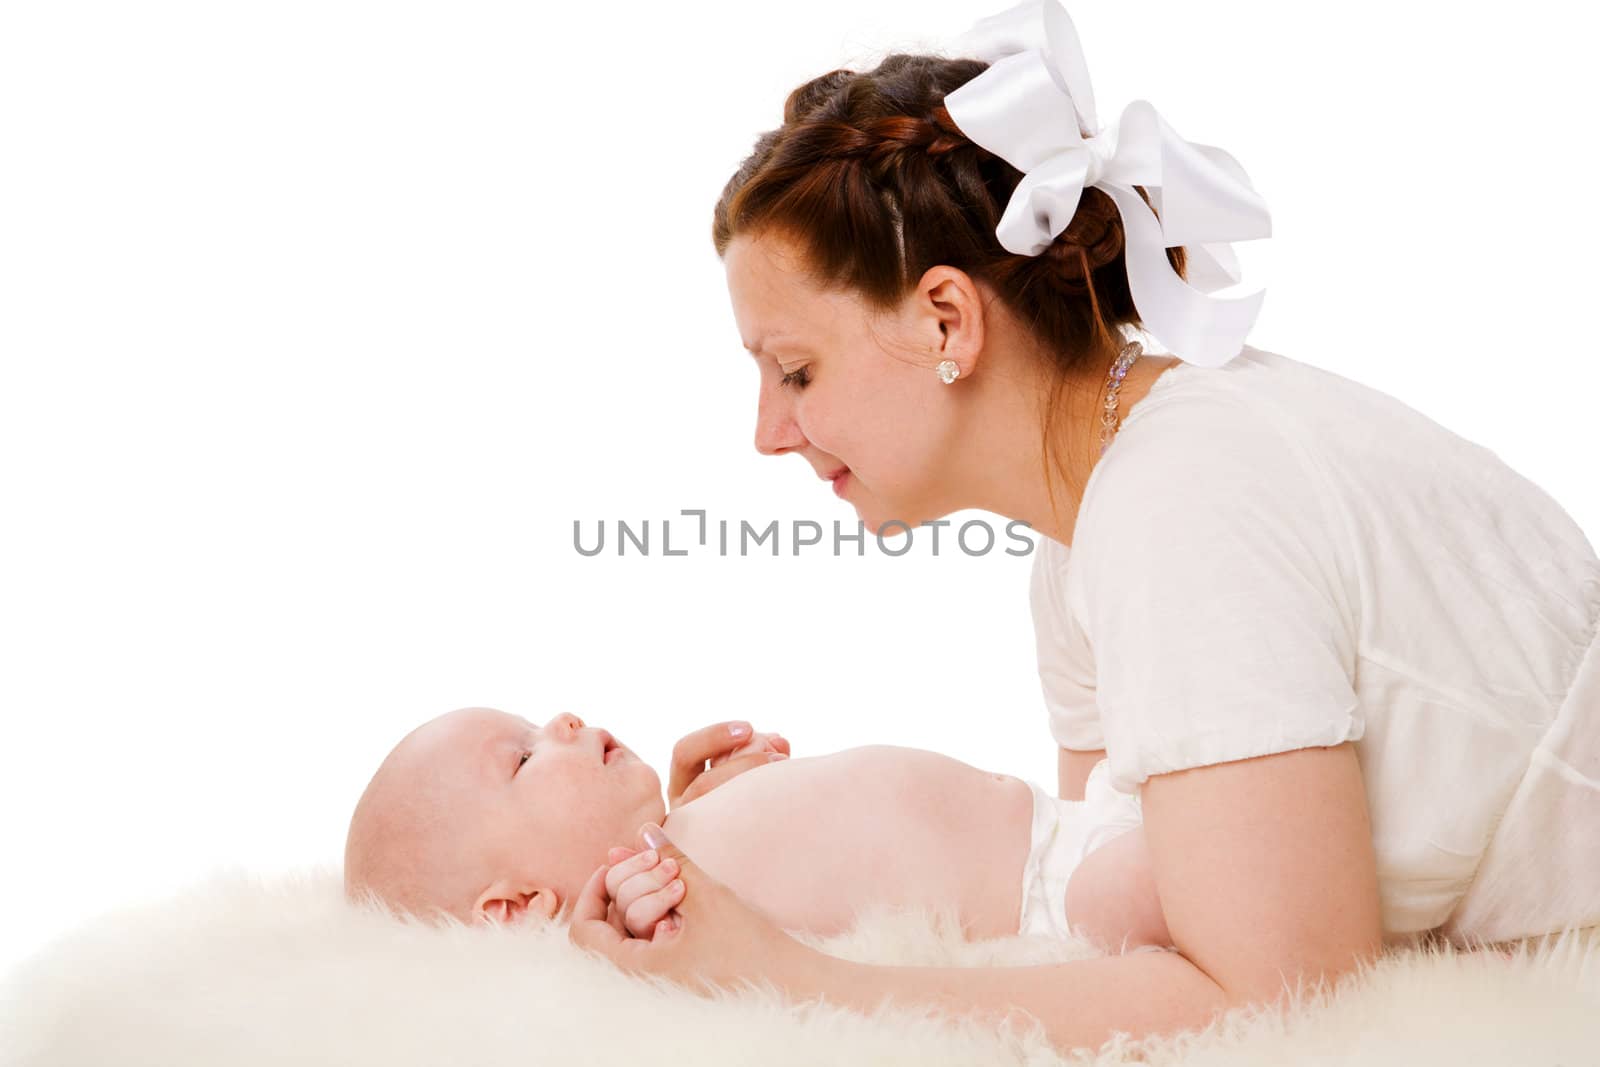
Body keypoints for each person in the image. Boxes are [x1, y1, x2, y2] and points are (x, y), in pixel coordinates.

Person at [564, 0, 1600, 1053]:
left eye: (795, 370)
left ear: (945, 320)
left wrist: (782, 973)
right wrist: (759, 844)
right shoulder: (1093, 516)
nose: (768, 432)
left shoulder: (1183, 503)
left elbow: (1275, 1011)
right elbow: (1098, 895)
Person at [343, 707, 1168, 956]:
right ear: (516, 908)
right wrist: (651, 899)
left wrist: (696, 809)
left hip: (1073, 821)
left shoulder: (671, 838)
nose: (560, 719)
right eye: (522, 758)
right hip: (1061, 902)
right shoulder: (631, 927)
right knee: (1212, 871)